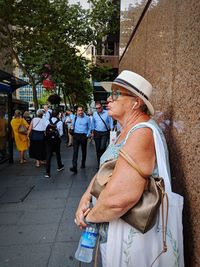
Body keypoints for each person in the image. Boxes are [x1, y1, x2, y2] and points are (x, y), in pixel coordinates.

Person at [75, 70, 176, 266]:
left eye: (116, 94)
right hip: (113, 234)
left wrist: (89, 217)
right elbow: (104, 170)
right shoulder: (124, 131)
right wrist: (85, 197)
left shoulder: (142, 133)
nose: (108, 99)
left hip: (130, 239)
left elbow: (119, 201)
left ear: (135, 102)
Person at [69, 106, 91, 173]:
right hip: (76, 136)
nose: (80, 112)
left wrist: (87, 135)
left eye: (81, 110)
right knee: (75, 152)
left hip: (83, 136)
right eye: (79, 110)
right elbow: (72, 126)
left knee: (83, 151)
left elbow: (90, 127)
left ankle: (83, 163)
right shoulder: (75, 118)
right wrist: (71, 127)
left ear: (83, 111)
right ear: (77, 111)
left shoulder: (87, 118)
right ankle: (74, 166)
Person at [91, 102, 113, 166]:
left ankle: (103, 161)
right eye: (96, 108)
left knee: (102, 147)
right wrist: (92, 132)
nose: (98, 109)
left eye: (99, 108)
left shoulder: (107, 113)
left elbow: (110, 121)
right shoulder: (95, 114)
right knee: (98, 149)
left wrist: (111, 130)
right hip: (97, 132)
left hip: (105, 133)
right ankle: (99, 163)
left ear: (102, 107)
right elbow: (93, 123)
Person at [45, 110, 64, 178]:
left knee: (48, 155)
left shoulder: (47, 121)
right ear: (57, 115)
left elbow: (45, 130)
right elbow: (61, 133)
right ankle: (59, 166)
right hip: (56, 140)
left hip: (48, 140)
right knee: (58, 153)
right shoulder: (60, 122)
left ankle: (47, 172)